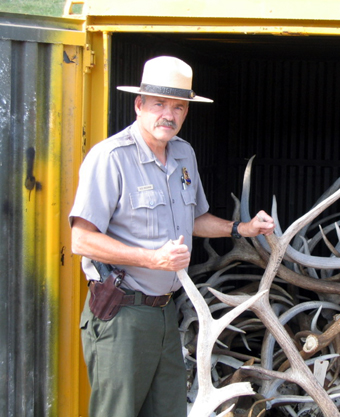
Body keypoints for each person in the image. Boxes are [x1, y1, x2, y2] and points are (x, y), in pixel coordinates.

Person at [69, 56, 275, 417]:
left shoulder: (183, 154)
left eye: (179, 106)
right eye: (160, 104)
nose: (169, 114)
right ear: (139, 104)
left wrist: (241, 229)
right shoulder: (110, 158)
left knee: (168, 410)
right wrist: (152, 259)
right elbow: (82, 240)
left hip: (165, 311)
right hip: (122, 313)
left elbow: (193, 218)